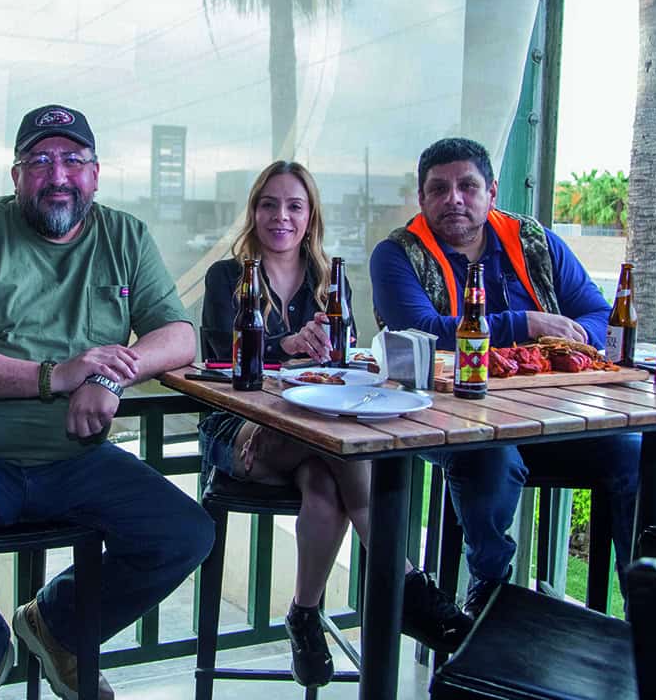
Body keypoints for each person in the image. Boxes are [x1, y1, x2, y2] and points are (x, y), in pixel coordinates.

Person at [0, 104, 214, 700]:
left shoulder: (125, 236)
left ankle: (56, 626)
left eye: (73, 160)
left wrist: (108, 379)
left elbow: (179, 336)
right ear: (16, 176)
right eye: (40, 161)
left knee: (183, 532)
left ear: (96, 173)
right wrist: (56, 375)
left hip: (71, 455)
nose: (58, 174)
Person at [199, 161, 472, 688]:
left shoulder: (328, 280)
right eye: (269, 204)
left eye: (294, 206)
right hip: (241, 430)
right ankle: (410, 588)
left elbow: (344, 362)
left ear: (311, 217)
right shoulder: (229, 276)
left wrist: (339, 355)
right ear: (254, 212)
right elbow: (217, 355)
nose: (281, 216)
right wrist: (286, 344)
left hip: (311, 437)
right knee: (342, 447)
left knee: (328, 479)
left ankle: (304, 614)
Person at [369, 136, 640, 618]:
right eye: (439, 188)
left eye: (467, 186)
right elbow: (424, 333)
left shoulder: (533, 240)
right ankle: (489, 593)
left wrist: (565, 343)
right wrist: (530, 324)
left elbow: (598, 316)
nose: (454, 198)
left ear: (491, 191)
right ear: (422, 197)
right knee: (489, 454)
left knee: (632, 451)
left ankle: (653, 615)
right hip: (444, 415)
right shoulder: (397, 254)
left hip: (547, 410)